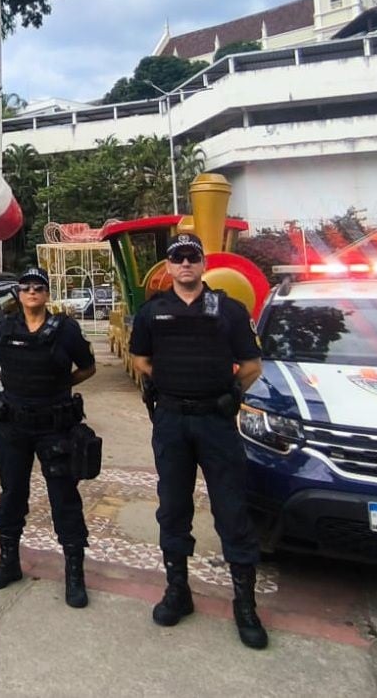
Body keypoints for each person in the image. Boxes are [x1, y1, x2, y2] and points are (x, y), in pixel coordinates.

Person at [128, 233, 268, 649]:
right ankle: (178, 592)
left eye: (192, 257)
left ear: (203, 264)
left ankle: (245, 606)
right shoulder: (154, 312)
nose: (185, 264)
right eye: (177, 257)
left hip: (215, 421)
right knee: (172, 507)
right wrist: (169, 385)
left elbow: (252, 364)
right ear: (168, 267)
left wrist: (229, 393)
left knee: (231, 508)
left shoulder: (227, 310)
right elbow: (141, 359)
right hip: (172, 421)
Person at [0, 267, 98, 608]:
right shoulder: (5, 329)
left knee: (64, 497)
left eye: (38, 287)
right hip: (13, 427)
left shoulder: (66, 330)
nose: (32, 292)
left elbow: (88, 366)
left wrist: (59, 387)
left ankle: (74, 574)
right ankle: (9, 562)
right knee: (12, 494)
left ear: (46, 294)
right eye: (26, 287)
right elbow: (4, 362)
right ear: (18, 294)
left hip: (55, 426)